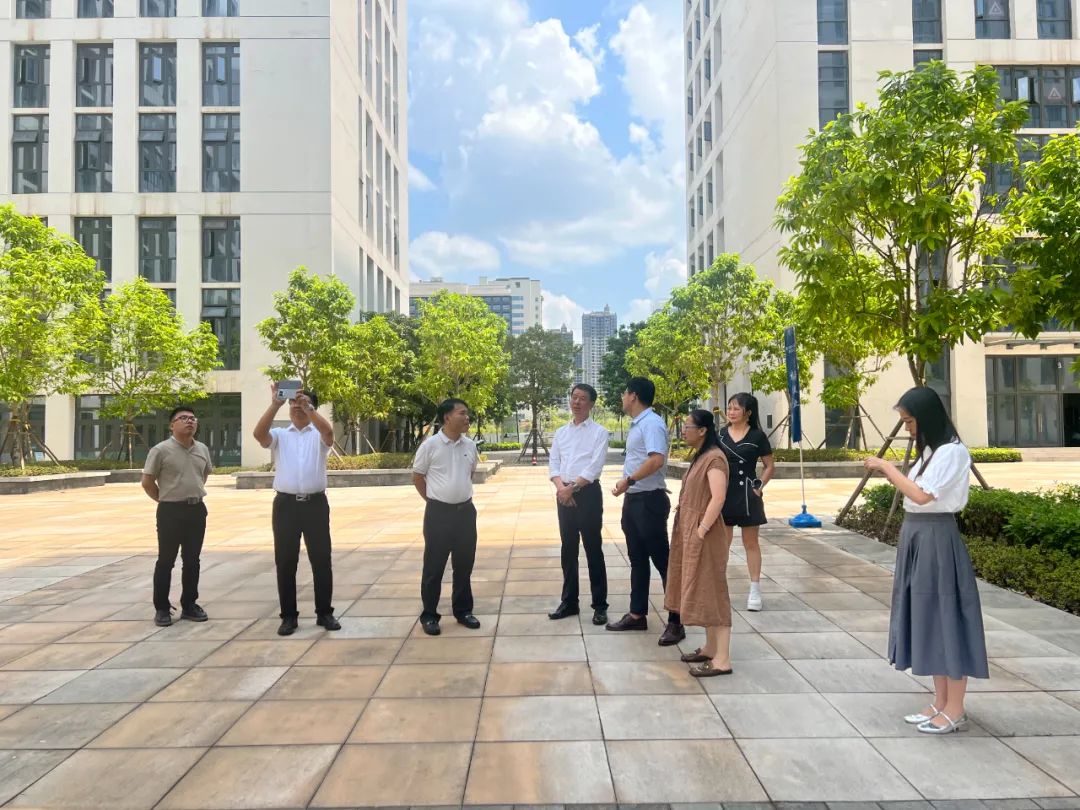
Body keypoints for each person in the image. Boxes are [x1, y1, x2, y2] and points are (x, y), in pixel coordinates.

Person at [864, 386, 988, 734]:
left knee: (946, 617)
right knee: (928, 617)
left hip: (936, 536)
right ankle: (941, 702)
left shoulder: (952, 452)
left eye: (909, 420)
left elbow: (921, 495)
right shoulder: (932, 452)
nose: (907, 428)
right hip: (919, 535)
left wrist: (886, 468)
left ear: (926, 417)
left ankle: (956, 708)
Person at [253, 384, 341, 636]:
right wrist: (275, 404)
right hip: (286, 506)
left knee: (321, 560)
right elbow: (259, 435)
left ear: (312, 407)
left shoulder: (318, 434)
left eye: (302, 403)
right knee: (285, 561)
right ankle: (288, 616)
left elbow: (328, 432)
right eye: (293, 403)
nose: (297, 407)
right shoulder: (280, 435)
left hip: (315, 505)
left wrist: (308, 408)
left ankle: (324, 613)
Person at [607, 377, 685, 646]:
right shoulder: (639, 424)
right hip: (635, 500)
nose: (622, 397)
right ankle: (637, 614)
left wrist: (628, 481)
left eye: (624, 393)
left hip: (649, 501)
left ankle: (676, 621)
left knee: (663, 561)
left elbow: (656, 460)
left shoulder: (651, 423)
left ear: (633, 396)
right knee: (638, 559)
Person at [666, 409, 733, 676]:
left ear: (703, 430)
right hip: (692, 531)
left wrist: (701, 530)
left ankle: (722, 660)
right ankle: (710, 647)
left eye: (688, 427)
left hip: (705, 534)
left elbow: (718, 498)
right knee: (703, 590)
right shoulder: (701, 455)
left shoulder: (714, 458)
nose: (684, 431)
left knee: (714, 592)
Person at [412, 398, 482, 636]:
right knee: (434, 567)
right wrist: (434, 501)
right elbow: (418, 477)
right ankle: (430, 615)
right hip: (438, 514)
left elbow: (469, 474)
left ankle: (463, 611)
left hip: (466, 513)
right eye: (462, 413)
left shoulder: (469, 445)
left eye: (467, 413)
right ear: (447, 418)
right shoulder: (430, 446)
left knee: (464, 565)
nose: (466, 417)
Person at [142, 406, 212, 627]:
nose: (190, 421)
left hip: (196, 510)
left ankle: (190, 604)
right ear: (172, 425)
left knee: (192, 560)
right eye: (183, 418)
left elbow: (204, 475)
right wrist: (166, 499)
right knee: (166, 560)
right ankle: (162, 608)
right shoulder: (161, 450)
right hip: (170, 511)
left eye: (193, 418)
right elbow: (147, 482)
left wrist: (191, 493)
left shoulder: (202, 448)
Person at [548, 383, 610, 626]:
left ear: (591, 404)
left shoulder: (599, 432)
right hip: (564, 494)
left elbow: (595, 466)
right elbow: (554, 463)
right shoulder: (561, 432)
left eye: (582, 398)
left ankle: (600, 605)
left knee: (593, 548)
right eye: (574, 397)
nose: (576, 402)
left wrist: (571, 488)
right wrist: (561, 488)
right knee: (568, 549)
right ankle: (569, 602)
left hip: (587, 494)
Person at [718, 393, 775, 611]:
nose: (731, 412)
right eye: (729, 408)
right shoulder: (720, 434)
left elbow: (769, 466)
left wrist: (759, 487)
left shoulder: (757, 436)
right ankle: (719, 588)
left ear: (748, 413)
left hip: (748, 496)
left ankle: (755, 589)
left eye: (736, 409)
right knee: (722, 544)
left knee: (750, 543)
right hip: (724, 493)